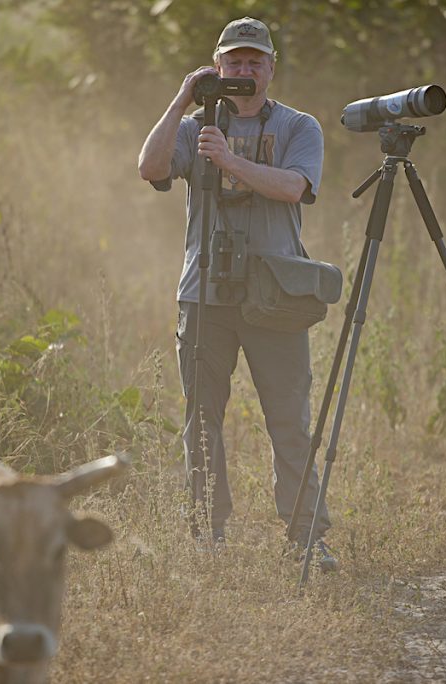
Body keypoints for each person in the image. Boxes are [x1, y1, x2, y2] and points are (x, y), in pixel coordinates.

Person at [138, 17, 336, 571]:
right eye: (233, 61)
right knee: (202, 418)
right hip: (204, 294)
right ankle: (206, 534)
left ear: (271, 67)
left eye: (254, 61)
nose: (244, 70)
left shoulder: (300, 127)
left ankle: (306, 537)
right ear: (217, 66)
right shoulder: (194, 124)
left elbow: (294, 186)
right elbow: (149, 167)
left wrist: (228, 161)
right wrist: (182, 99)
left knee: (289, 420)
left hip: (277, 293)